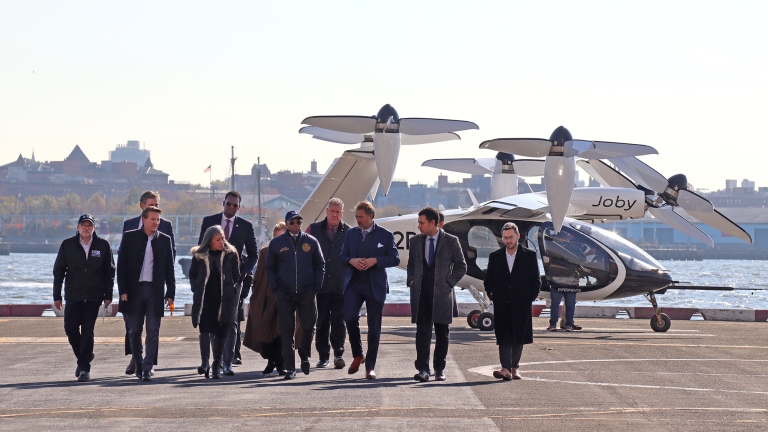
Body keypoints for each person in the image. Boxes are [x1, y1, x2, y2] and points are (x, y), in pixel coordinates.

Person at [198, 191, 258, 375]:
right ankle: (211, 361)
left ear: (239, 207)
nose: (231, 207)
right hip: (212, 280)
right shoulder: (210, 221)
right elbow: (201, 248)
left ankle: (228, 361)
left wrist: (242, 273)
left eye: (235, 205)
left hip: (234, 281)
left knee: (231, 321)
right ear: (223, 203)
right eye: (228, 204)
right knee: (211, 320)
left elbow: (254, 254)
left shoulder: (246, 226)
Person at [340, 201, 400, 379]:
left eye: (361, 217)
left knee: (374, 328)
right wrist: (351, 261)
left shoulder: (385, 235)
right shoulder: (351, 234)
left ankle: (370, 367)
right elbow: (342, 256)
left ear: (371, 216)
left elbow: (395, 259)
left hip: (376, 285)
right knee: (349, 317)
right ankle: (358, 354)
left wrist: (376, 260)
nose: (357, 220)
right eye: (356, 217)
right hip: (354, 284)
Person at [53, 214, 115, 382]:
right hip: (73, 295)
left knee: (88, 332)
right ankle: (85, 356)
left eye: (89, 225)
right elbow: (58, 271)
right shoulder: (68, 245)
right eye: (83, 225)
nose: (86, 228)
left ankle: (84, 369)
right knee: (70, 328)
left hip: (94, 296)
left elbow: (110, 272)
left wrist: (108, 295)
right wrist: (56, 295)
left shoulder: (103, 245)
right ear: (78, 227)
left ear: (94, 228)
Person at [407, 207, 467, 382]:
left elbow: (461, 266)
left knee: (442, 333)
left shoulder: (451, 241)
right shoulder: (416, 241)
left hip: (442, 294)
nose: (419, 226)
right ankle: (423, 369)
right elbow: (411, 265)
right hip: (421, 293)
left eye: (421, 223)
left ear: (433, 223)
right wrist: (411, 279)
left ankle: (439, 368)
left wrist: (449, 283)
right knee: (422, 333)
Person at [117, 206, 176, 382]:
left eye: (158, 220)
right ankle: (140, 365)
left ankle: (148, 367)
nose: (156, 223)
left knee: (153, 331)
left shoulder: (164, 240)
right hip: (134, 291)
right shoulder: (129, 237)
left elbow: (169, 270)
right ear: (143, 219)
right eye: (153, 219)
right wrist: (123, 291)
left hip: (154, 291)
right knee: (134, 331)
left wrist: (170, 292)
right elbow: (121, 267)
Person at [266, 210, 325, 380]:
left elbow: (320, 265)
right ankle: (290, 368)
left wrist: (316, 286)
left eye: (298, 222)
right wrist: (276, 287)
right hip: (285, 293)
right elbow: (270, 267)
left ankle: (304, 355)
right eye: (292, 222)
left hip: (307, 292)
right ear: (286, 224)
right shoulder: (277, 243)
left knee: (308, 326)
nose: (296, 225)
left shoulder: (311, 242)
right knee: (287, 331)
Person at [483, 222, 541, 381]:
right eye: (505, 237)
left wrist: (529, 297)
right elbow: (489, 280)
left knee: (518, 337)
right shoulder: (495, 256)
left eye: (511, 237)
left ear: (518, 236)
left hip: (521, 303)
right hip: (502, 303)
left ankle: (514, 368)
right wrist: (493, 294)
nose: (508, 240)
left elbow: (535, 280)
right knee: (503, 336)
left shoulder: (529, 256)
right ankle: (505, 368)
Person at [243, 222, 300, 376]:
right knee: (265, 334)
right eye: (277, 237)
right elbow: (259, 277)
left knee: (283, 332)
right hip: (268, 298)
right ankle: (271, 360)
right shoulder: (265, 253)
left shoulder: (295, 252)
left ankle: (280, 363)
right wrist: (256, 298)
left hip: (287, 299)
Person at [189, 225, 241, 379]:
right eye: (218, 239)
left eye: (223, 238)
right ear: (209, 241)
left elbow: (237, 276)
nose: (222, 242)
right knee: (204, 330)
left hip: (224, 299)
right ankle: (204, 363)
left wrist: (231, 289)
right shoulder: (199, 256)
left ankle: (216, 365)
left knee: (221, 332)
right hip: (206, 299)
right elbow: (192, 275)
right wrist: (196, 288)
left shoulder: (231, 255)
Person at [306, 198, 351, 369]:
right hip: (320, 285)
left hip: (341, 285)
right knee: (322, 321)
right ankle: (323, 356)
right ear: (326, 211)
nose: (334, 214)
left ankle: (338, 353)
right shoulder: (314, 229)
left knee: (339, 321)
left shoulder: (349, 232)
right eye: (332, 211)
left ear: (342, 213)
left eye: (338, 212)